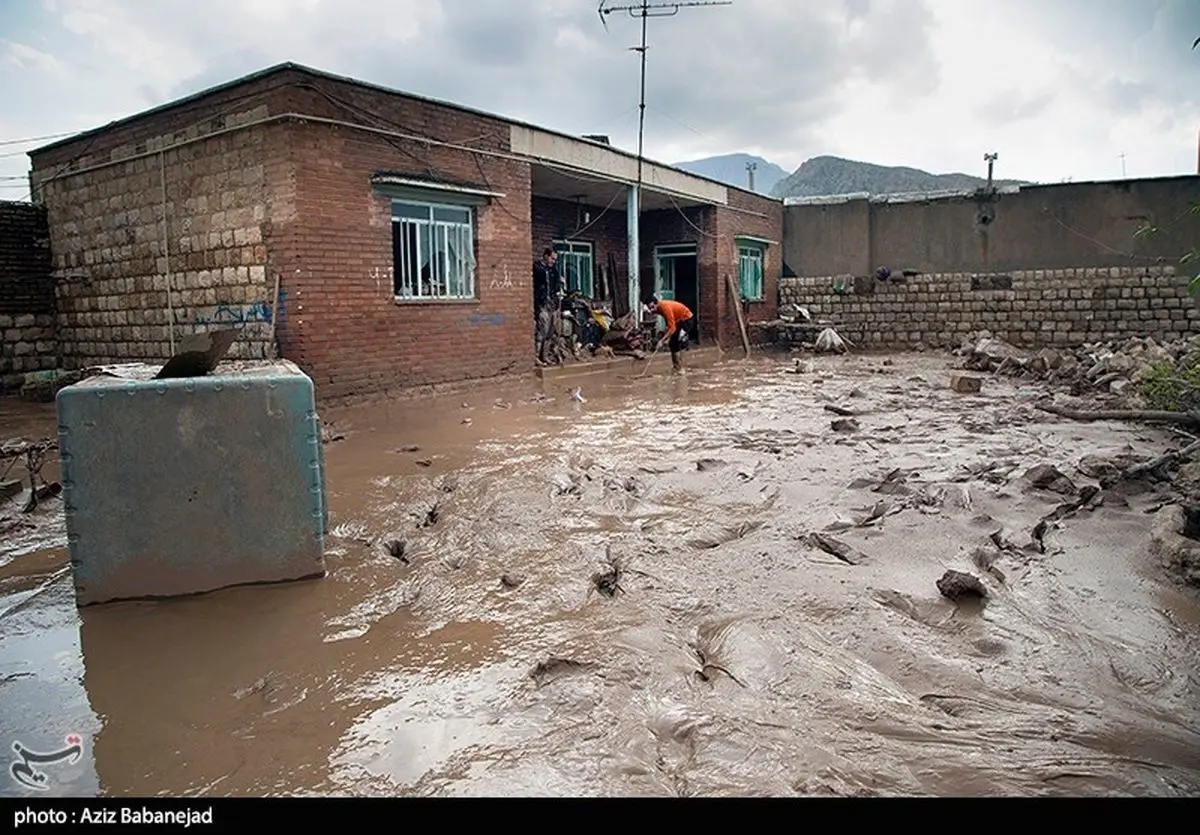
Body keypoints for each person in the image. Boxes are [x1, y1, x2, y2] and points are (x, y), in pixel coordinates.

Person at [646, 295, 695, 373]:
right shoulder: (657, 308)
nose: (651, 310)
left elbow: (672, 328)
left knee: (680, 341)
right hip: (677, 321)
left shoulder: (665, 308)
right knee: (673, 343)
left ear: (657, 304)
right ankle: (676, 367)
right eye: (649, 308)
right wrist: (667, 338)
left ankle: (681, 368)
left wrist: (662, 341)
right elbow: (670, 325)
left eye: (652, 307)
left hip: (686, 319)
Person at [532, 248, 564, 364]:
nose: (553, 261)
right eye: (552, 258)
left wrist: (560, 284)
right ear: (545, 256)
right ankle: (536, 356)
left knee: (550, 331)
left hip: (553, 304)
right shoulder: (536, 268)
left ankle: (545, 356)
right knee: (542, 331)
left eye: (555, 259)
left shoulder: (554, 271)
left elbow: (556, 286)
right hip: (542, 304)